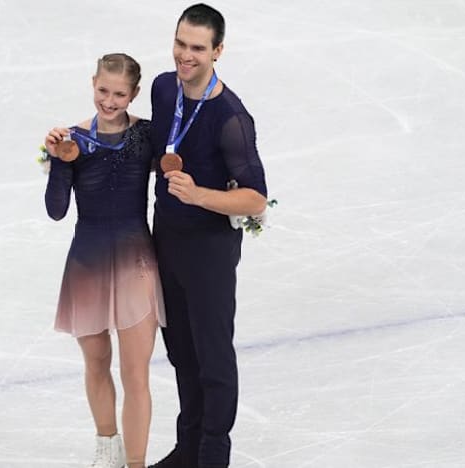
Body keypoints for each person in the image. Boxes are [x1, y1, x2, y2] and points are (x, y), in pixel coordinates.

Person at [147, 4, 268, 468]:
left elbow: (255, 198)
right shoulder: (163, 87)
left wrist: (200, 195)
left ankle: (213, 455)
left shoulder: (230, 118)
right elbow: (155, 140)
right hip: (167, 239)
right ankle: (188, 448)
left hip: (210, 250)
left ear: (218, 51)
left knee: (212, 355)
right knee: (180, 349)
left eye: (197, 48)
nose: (185, 55)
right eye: (180, 43)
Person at [44, 53, 166, 468]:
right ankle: (107, 447)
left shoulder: (148, 134)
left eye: (119, 94)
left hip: (135, 262)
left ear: (133, 94)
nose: (109, 101)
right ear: (92, 83)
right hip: (89, 262)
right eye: (102, 91)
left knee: (136, 373)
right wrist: (61, 164)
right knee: (96, 361)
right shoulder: (73, 139)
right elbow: (57, 210)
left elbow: (173, 178)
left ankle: (135, 463)